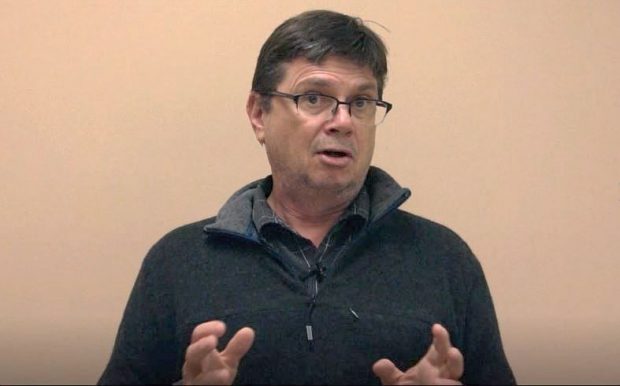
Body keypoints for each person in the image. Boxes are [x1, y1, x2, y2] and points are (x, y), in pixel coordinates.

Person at [98, 9, 515, 385]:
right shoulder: (176, 262)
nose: (343, 121)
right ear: (259, 114)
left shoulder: (444, 259)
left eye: (362, 102)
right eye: (314, 98)